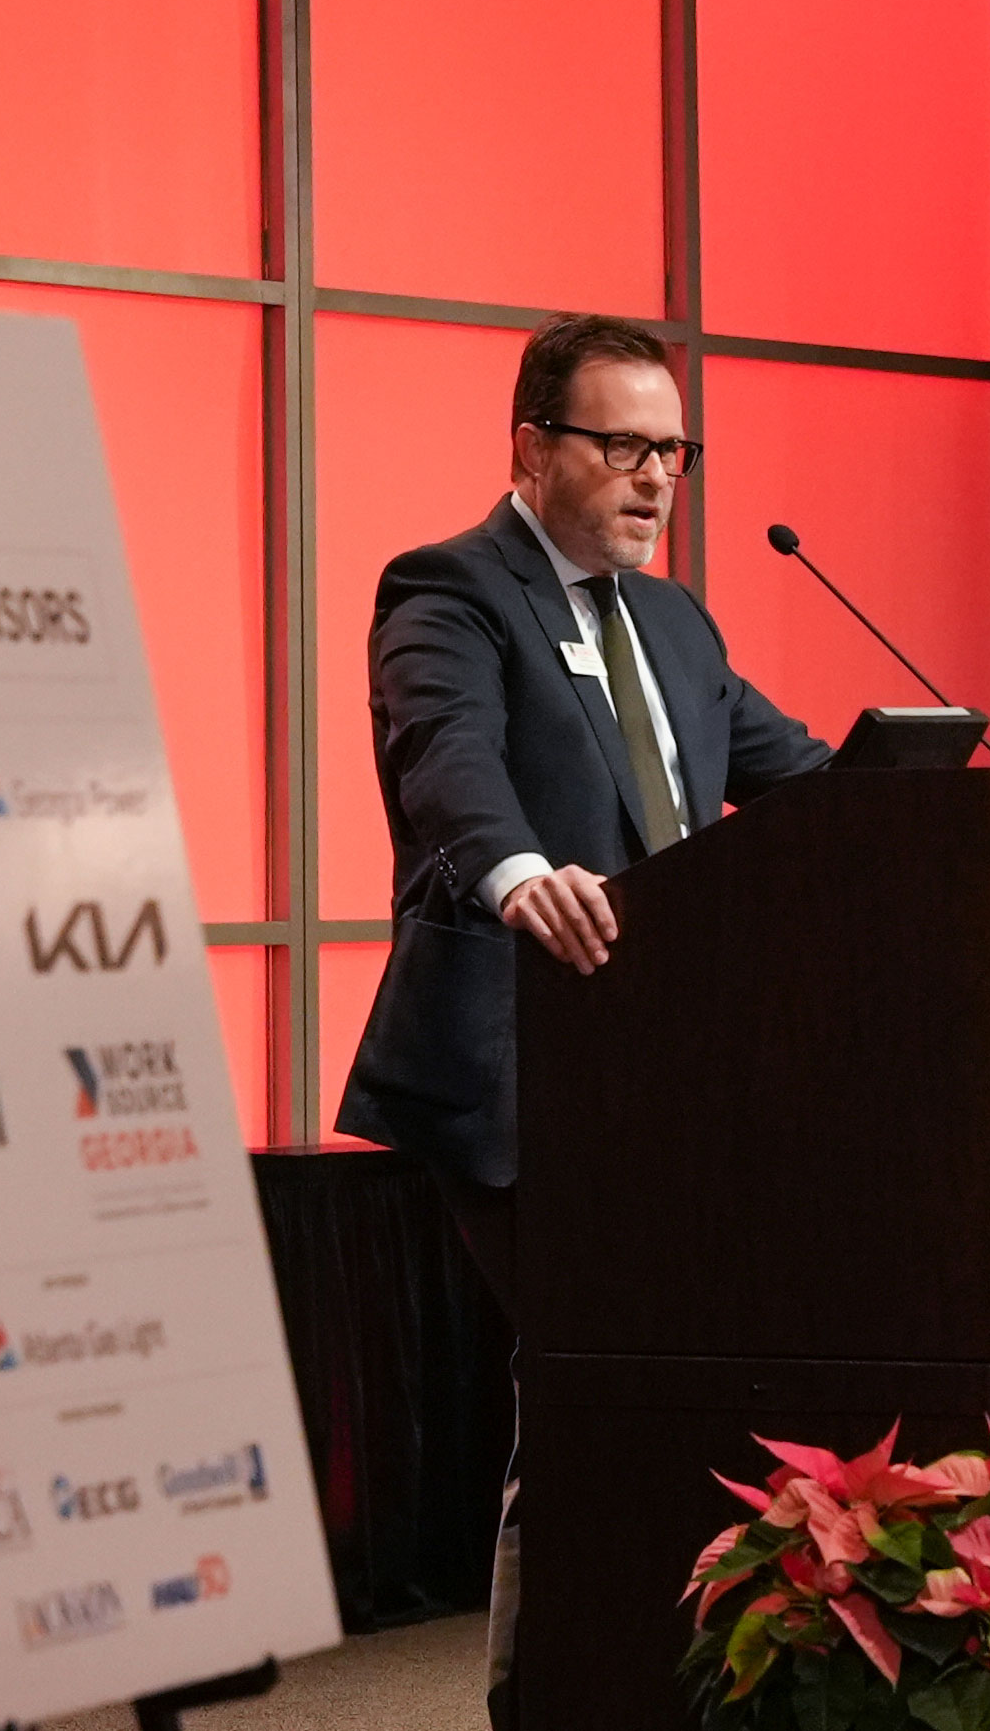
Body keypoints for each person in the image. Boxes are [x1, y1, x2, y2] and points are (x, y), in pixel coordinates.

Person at [333, 313, 831, 1730]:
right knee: (595, 1360)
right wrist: (519, 872)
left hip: (672, 1073)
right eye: (622, 446)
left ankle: (595, 1681)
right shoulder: (448, 590)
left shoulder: (675, 620)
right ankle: (543, 1693)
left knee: (617, 1378)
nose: (656, 477)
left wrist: (955, 796)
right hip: (511, 1073)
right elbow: (448, 762)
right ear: (531, 448)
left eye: (673, 450)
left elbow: (795, 780)